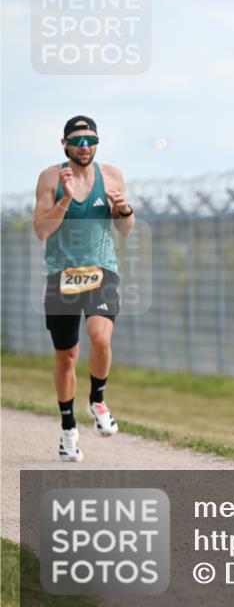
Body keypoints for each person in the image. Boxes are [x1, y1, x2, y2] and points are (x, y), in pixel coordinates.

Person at [32, 115, 135, 461]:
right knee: (67, 356)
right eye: (78, 141)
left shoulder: (112, 175)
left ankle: (98, 399)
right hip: (62, 274)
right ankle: (68, 429)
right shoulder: (50, 178)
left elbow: (126, 229)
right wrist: (65, 200)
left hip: (101, 270)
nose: (85, 147)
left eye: (91, 141)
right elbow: (41, 231)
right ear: (65, 144)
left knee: (101, 336)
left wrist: (124, 209)